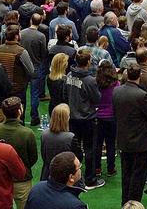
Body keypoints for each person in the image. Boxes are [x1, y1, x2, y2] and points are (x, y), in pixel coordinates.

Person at [112, 65, 147, 205]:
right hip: (140, 142)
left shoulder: (117, 91)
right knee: (138, 176)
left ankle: (125, 204)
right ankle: (134, 205)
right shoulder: (142, 95)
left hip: (123, 140)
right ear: (140, 76)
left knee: (126, 174)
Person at [65, 47, 103, 189]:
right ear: (88, 62)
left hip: (72, 118)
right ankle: (90, 179)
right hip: (87, 119)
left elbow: (64, 93)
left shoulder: (69, 75)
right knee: (90, 149)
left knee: (74, 148)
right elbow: (97, 98)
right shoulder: (90, 80)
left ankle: (74, 176)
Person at [0, 96, 38, 209]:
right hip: (22, 180)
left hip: (1, 179)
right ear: (20, 111)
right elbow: (33, 158)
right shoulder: (27, 133)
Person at [92, 59, 119, 177]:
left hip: (98, 117)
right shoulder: (116, 84)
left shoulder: (95, 83)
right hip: (112, 117)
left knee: (97, 144)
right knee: (111, 143)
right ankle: (111, 168)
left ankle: (97, 168)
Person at [41, 103, 81, 180]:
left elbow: (44, 155)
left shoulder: (44, 134)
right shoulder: (70, 137)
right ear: (66, 119)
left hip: (47, 174)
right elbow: (78, 157)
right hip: (65, 177)